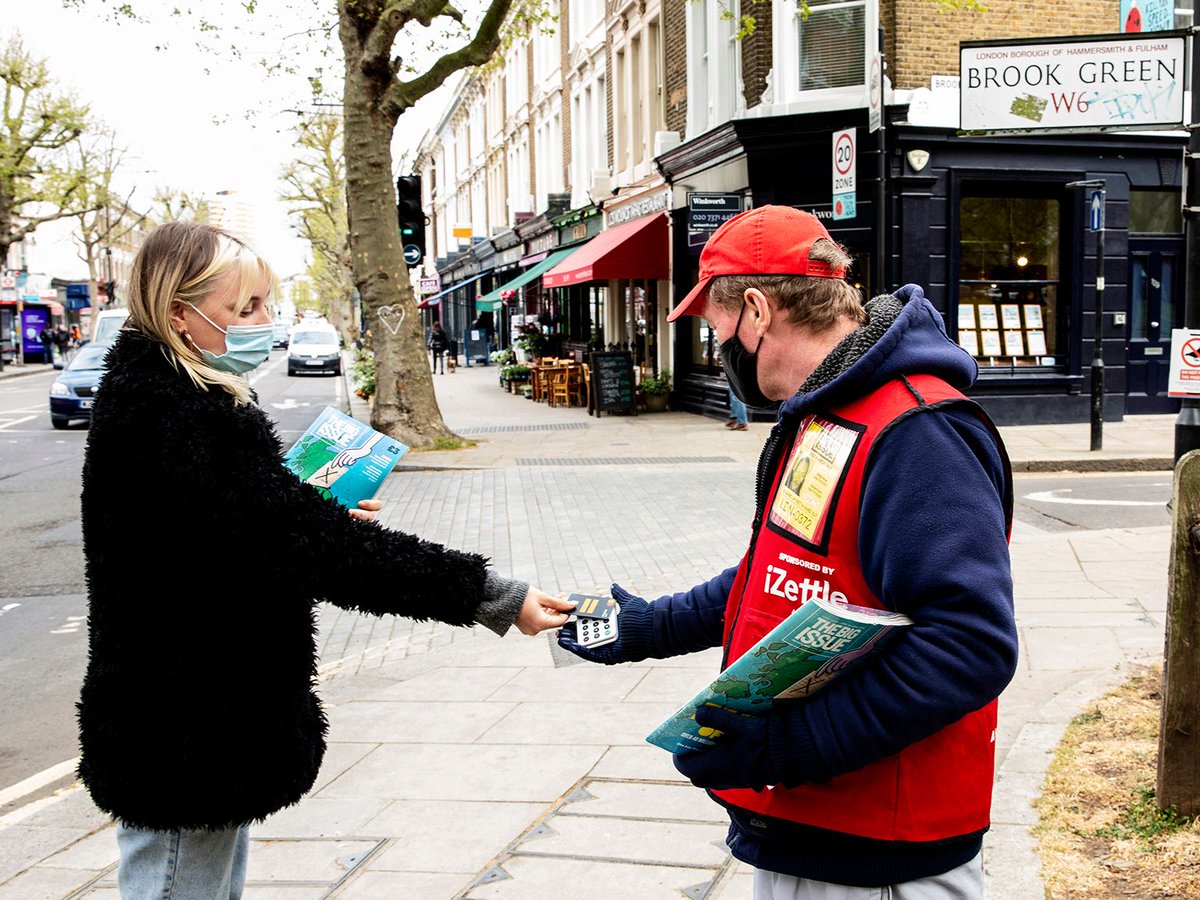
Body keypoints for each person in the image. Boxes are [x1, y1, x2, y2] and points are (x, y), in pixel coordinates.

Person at [77, 221, 574, 899]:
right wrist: (492, 594)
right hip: (185, 723)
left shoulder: (179, 402)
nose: (264, 322)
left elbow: (236, 535)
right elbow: (321, 553)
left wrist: (300, 508)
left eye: (266, 305)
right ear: (178, 316)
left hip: (199, 715)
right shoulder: (169, 417)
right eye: (243, 309)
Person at [559, 206, 1017, 899]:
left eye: (718, 333)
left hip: (879, 851)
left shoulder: (917, 431)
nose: (721, 354)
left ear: (757, 309)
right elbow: (784, 571)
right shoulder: (832, 410)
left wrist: (787, 747)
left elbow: (970, 644)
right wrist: (652, 626)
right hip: (820, 829)